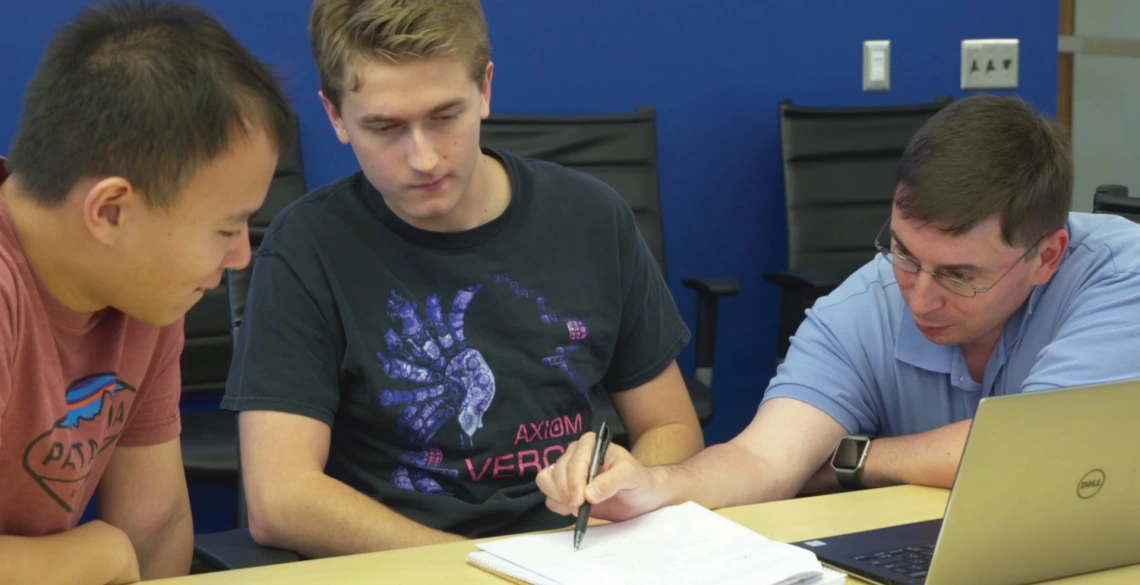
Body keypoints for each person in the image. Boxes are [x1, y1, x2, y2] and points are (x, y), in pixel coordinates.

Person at [221, 0, 704, 558]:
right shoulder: (307, 248)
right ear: (335, 117)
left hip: (580, 552)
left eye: (445, 116)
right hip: (407, 562)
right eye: (384, 127)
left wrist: (628, 484)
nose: (423, 158)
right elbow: (281, 499)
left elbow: (671, 427)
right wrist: (474, 567)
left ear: (485, 90)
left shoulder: (592, 216)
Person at [537, 94, 1140, 523]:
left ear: (1048, 256)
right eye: (904, 253)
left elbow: (1033, 453)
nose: (920, 297)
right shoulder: (862, 304)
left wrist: (859, 458)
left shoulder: (1120, 275)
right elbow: (761, 459)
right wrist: (654, 485)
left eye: (960, 275)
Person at [0, 1, 294, 583]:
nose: (240, 256)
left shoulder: (144, 290)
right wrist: (92, 558)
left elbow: (153, 527)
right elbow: (119, 553)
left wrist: (119, 553)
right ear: (110, 211)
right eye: (224, 228)